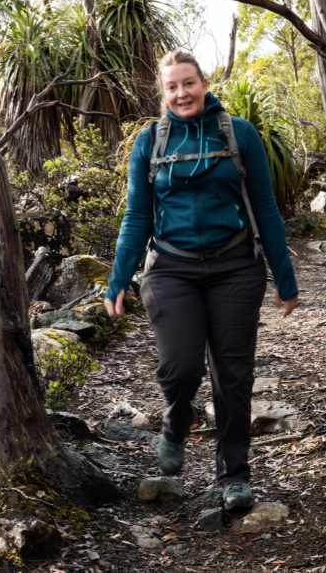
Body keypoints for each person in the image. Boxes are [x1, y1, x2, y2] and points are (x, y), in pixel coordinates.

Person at [104, 49, 298, 510]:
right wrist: (117, 279)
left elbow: (266, 209)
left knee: (233, 376)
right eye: (171, 86)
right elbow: (136, 216)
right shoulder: (151, 141)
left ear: (204, 83)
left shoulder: (240, 134)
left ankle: (234, 476)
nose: (181, 93)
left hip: (235, 266)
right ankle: (175, 423)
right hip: (172, 268)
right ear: (163, 92)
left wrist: (284, 277)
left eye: (188, 83)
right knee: (180, 367)